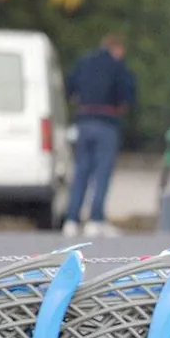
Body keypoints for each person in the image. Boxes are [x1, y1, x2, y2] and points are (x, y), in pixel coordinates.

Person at [64, 33, 136, 238]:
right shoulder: (117, 65)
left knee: (80, 172)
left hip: (83, 122)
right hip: (106, 123)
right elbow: (127, 94)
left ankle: (71, 220)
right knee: (102, 173)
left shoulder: (84, 62)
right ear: (117, 48)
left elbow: (69, 86)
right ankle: (95, 220)